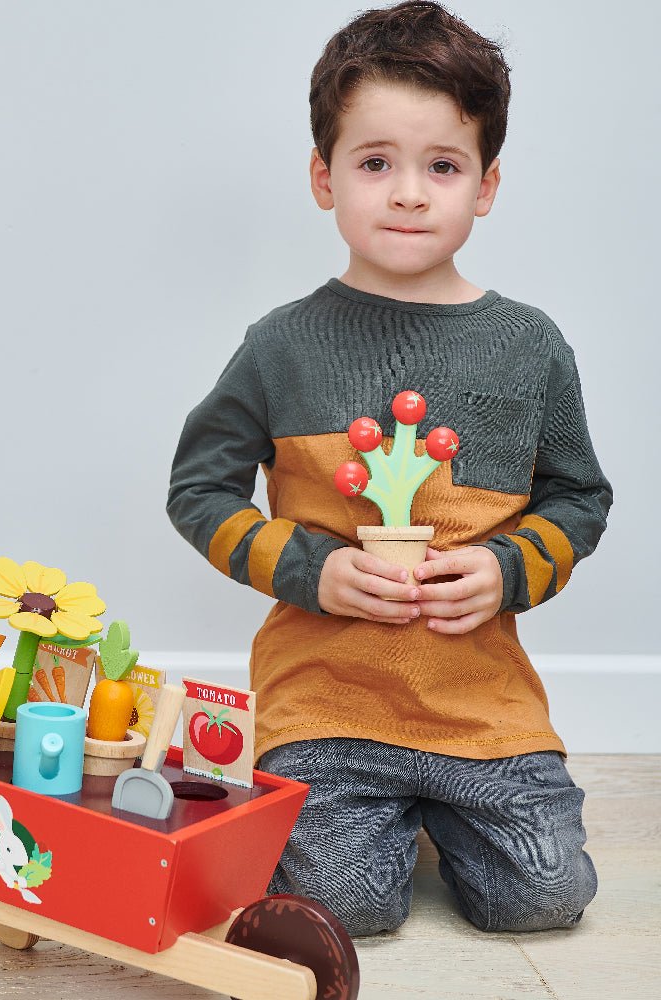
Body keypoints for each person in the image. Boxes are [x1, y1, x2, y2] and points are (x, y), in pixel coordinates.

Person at [167, 0, 611, 936]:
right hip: (325, 702)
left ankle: (443, 817)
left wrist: (507, 569)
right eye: (376, 163)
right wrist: (311, 569)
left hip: (481, 709)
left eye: (442, 166)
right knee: (345, 908)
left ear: (486, 185)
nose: (409, 193)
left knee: (545, 897)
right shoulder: (280, 345)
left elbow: (579, 497)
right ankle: (373, 822)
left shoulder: (530, 345)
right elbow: (198, 489)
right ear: (325, 178)